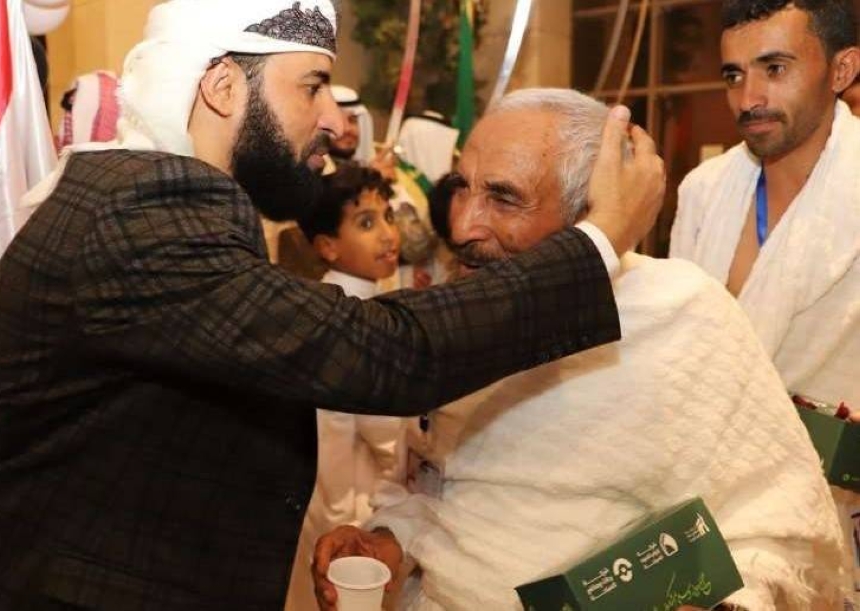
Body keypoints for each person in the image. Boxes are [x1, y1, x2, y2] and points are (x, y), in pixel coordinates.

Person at [0, 1, 665, 609]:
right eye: (312, 85)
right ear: (223, 86)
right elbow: (385, 353)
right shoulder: (140, 212)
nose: (336, 122)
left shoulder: (158, 201)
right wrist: (597, 241)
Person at [312, 89, 845, 611]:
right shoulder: (460, 316)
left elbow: (780, 524)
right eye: (463, 188)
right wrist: (390, 539)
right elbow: (433, 486)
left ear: (591, 211)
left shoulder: (678, 314)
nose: (463, 225)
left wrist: (725, 604)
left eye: (502, 197)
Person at [669, 0, 860, 598]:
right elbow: (677, 354)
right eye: (734, 74)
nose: (748, 98)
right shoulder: (703, 191)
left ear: (842, 69)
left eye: (775, 69)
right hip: (713, 502)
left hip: (839, 506)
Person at [285, 163, 408, 610]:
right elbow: (351, 431)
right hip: (350, 504)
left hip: (342, 501)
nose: (388, 235)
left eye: (388, 217)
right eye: (366, 223)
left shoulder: (355, 300)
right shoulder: (351, 316)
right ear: (328, 246)